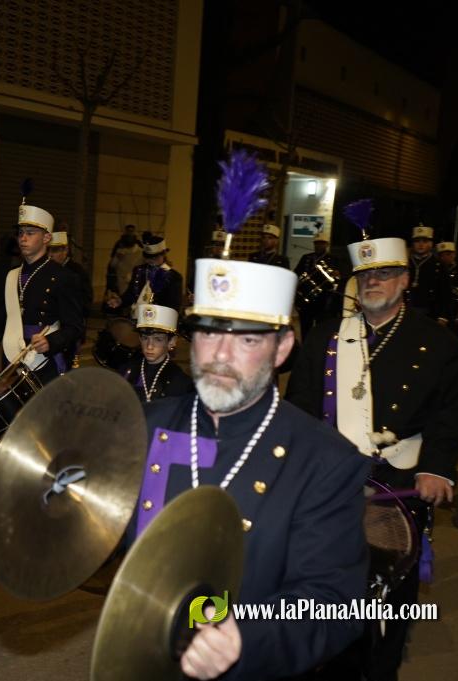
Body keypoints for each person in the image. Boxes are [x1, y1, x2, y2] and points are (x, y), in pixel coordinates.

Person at [131, 254, 369, 680]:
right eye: (208, 333)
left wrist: (247, 639)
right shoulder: (147, 424)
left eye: (246, 340)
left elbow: (333, 600)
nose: (220, 355)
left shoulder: (325, 461)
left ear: (282, 349)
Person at [286, 231, 458, 681]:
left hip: (398, 479)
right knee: (326, 579)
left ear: (405, 279)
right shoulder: (328, 337)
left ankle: (381, 666)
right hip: (332, 481)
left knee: (391, 585)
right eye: (366, 275)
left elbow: (451, 412)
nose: (374, 283)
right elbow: (301, 405)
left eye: (385, 274)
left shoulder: (436, 341)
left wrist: (436, 468)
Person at [0, 201, 84, 387]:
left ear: (46, 238)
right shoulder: (12, 275)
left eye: (30, 233)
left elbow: (76, 326)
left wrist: (51, 341)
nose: (23, 238)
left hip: (45, 360)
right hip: (12, 356)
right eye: (21, 233)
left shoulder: (64, 277)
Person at [118, 304, 192, 402]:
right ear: (139, 339)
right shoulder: (126, 370)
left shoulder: (180, 382)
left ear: (171, 342)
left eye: (158, 339)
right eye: (145, 338)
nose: (149, 346)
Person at [106, 234, 185, 313]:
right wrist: (120, 301)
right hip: (136, 317)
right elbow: (130, 294)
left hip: (159, 321)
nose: (151, 260)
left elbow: (173, 306)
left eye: (155, 257)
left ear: (164, 254)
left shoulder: (174, 277)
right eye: (148, 257)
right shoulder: (138, 270)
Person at [48, 231, 91, 368]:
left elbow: (86, 300)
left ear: (65, 250)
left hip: (70, 329)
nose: (50, 255)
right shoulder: (47, 270)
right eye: (48, 250)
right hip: (51, 329)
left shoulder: (76, 271)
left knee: (69, 365)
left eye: (54, 250)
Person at [293, 229, 341, 337]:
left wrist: (337, 274)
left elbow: (338, 279)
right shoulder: (306, 258)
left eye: (322, 243)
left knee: (321, 329)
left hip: (323, 300)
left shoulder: (333, 259)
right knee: (305, 328)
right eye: (316, 243)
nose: (319, 245)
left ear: (327, 244)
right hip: (306, 299)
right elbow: (297, 274)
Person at [434, 241, 458, 339]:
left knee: (456, 325)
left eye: (449, 254)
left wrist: (451, 280)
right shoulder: (436, 268)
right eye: (442, 255)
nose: (446, 257)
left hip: (456, 302)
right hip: (440, 302)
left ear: (454, 255)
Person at [406, 223, 442, 318]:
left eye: (425, 241)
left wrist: (443, 316)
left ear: (431, 244)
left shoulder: (438, 264)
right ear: (413, 243)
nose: (421, 244)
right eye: (417, 241)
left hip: (429, 310)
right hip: (406, 308)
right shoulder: (405, 262)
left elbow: (445, 292)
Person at [107, 224, 143, 297]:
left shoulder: (139, 247)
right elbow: (112, 264)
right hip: (121, 278)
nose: (130, 233)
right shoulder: (119, 245)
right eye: (128, 231)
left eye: (132, 231)